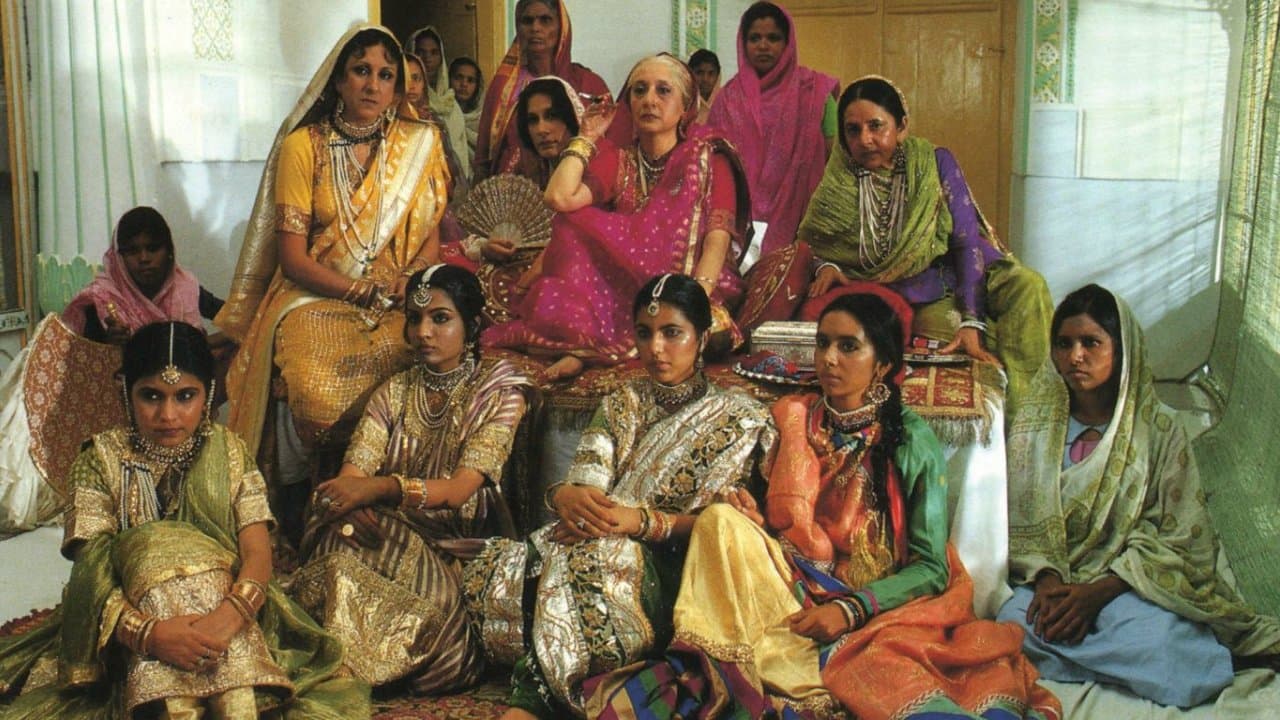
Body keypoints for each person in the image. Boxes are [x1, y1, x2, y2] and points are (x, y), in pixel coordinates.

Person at [588, 292, 1061, 720]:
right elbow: (783, 530)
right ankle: (745, 664)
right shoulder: (796, 418)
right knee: (719, 521)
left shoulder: (911, 440)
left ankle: (793, 668)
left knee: (894, 676)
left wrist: (850, 610)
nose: (829, 358)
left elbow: (931, 569)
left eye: (848, 347)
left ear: (882, 364)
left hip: (873, 605)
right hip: (795, 582)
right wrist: (757, 523)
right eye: (823, 343)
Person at [0, 322, 369, 719]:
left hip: (229, 612)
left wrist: (227, 620)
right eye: (151, 396)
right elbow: (91, 573)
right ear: (126, 392)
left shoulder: (229, 451)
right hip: (127, 622)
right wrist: (150, 635)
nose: (168, 415)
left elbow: (257, 553)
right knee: (152, 548)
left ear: (208, 393)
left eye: (185, 396)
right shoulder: (98, 459)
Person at [465, 274, 775, 719]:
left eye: (672, 333)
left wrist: (641, 523)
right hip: (604, 537)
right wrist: (568, 498)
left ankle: (533, 701)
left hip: (683, 566)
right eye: (645, 334)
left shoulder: (742, 420)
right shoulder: (622, 402)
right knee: (500, 568)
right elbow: (588, 484)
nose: (656, 348)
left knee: (589, 565)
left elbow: (727, 528)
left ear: (702, 338)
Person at [999, 284, 1280, 707]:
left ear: (1122, 349)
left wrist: (1097, 594)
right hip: (1054, 582)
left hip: (1125, 586)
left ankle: (1118, 657)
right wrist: (1049, 582)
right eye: (1064, 344)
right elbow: (1019, 521)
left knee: (1162, 642)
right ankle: (1127, 660)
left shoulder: (1160, 430)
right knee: (1010, 624)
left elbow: (1182, 535)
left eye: (1091, 342)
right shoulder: (1033, 427)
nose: (1075, 356)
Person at [216, 26, 448, 521]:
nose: (372, 85)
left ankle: (398, 502)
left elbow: (429, 234)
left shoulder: (419, 143)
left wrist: (412, 277)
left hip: (396, 296)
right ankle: (298, 504)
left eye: (386, 75)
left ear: (398, 87)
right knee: (315, 390)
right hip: (313, 294)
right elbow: (293, 259)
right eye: (361, 71)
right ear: (338, 80)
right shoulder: (304, 146)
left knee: (428, 364)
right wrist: (359, 291)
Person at [290, 266, 532, 694]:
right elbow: (353, 476)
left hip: (455, 547)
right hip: (386, 528)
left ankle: (351, 669)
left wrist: (380, 489)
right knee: (339, 539)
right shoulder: (395, 391)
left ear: (471, 324)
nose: (423, 332)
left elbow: (459, 490)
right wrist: (351, 502)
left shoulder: (499, 392)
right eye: (415, 319)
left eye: (440, 318)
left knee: (432, 602)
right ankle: (345, 669)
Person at [483, 54, 750, 382]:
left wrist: (695, 299)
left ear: (686, 106)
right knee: (570, 222)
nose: (649, 100)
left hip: (694, 279)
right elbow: (558, 198)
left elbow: (717, 239)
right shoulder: (620, 160)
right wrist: (587, 137)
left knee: (711, 330)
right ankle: (583, 348)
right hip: (625, 288)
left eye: (663, 90)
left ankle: (588, 351)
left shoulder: (709, 157)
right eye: (639, 90)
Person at [800, 76, 1052, 414]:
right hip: (916, 291)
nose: (865, 140)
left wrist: (972, 319)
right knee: (987, 335)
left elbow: (965, 240)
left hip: (963, 269)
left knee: (1029, 286)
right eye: (853, 130)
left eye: (876, 126)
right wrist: (827, 265)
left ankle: (1033, 419)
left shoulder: (933, 162)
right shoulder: (838, 181)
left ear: (902, 126)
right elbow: (814, 244)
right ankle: (1012, 414)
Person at [0, 206, 222, 533]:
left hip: (174, 405)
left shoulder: (186, 286)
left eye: (152, 248)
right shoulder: (103, 297)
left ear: (169, 251)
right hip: (118, 405)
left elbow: (232, 315)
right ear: (118, 257)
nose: (143, 259)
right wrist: (108, 341)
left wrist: (213, 343)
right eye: (132, 251)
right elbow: (84, 359)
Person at [706, 2, 838, 256]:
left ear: (788, 43)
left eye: (773, 38)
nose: (763, 46)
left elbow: (835, 156)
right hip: (737, 221)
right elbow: (712, 160)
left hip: (802, 218)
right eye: (754, 38)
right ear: (743, 42)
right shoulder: (727, 99)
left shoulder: (814, 92)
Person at [454, 77, 585, 324]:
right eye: (532, 120)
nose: (542, 129)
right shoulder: (523, 167)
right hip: (517, 279)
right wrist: (487, 247)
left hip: (573, 282)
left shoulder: (592, 173)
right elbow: (472, 238)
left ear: (572, 118)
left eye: (552, 116)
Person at [473, 0, 613, 179]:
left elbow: (611, 149)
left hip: (578, 187)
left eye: (545, 20)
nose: (535, 28)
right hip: (512, 189)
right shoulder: (503, 87)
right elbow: (484, 157)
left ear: (561, 27)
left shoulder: (588, 83)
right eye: (527, 21)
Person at [408, 26, 474, 181]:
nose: (427, 58)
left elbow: (459, 155)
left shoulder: (451, 105)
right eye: (421, 52)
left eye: (434, 53)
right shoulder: (406, 101)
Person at [449, 56, 484, 157]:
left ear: (477, 86)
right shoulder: (442, 116)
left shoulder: (482, 119)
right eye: (458, 78)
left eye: (470, 80)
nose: (464, 84)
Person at [686, 48, 720, 124]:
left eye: (711, 73)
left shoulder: (726, 102)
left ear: (717, 76)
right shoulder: (683, 102)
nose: (705, 79)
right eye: (699, 73)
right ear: (690, 73)